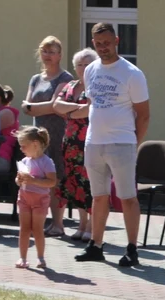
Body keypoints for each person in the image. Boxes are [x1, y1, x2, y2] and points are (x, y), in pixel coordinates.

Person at [75, 23, 150, 267]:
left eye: (106, 43)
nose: (103, 48)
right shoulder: (91, 70)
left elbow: (144, 114)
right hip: (94, 142)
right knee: (98, 197)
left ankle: (131, 249)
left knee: (128, 197)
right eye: (98, 44)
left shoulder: (132, 73)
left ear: (116, 40)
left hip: (122, 142)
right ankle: (96, 245)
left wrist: (133, 143)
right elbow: (93, 104)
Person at [22, 36, 72, 237]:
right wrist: (35, 108)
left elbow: (55, 105)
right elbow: (26, 106)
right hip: (38, 135)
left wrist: (34, 108)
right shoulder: (36, 79)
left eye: (52, 52)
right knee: (38, 175)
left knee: (55, 177)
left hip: (58, 133)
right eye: (45, 51)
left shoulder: (65, 78)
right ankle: (43, 221)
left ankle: (58, 223)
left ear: (60, 55)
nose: (48, 56)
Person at [53, 48, 98, 242]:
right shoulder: (70, 85)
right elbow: (56, 105)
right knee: (75, 183)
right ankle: (81, 224)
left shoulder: (96, 85)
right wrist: (76, 110)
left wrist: (69, 112)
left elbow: (89, 110)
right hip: (70, 143)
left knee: (90, 184)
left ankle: (91, 225)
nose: (83, 68)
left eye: (87, 64)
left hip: (90, 140)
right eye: (79, 64)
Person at [14, 126, 56, 269]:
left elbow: (51, 181)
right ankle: (23, 257)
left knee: (37, 229)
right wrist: (19, 180)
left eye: (24, 146)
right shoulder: (25, 161)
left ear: (35, 144)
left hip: (40, 199)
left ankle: (41, 257)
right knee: (24, 228)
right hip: (24, 197)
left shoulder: (47, 162)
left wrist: (32, 180)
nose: (21, 149)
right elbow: (18, 179)